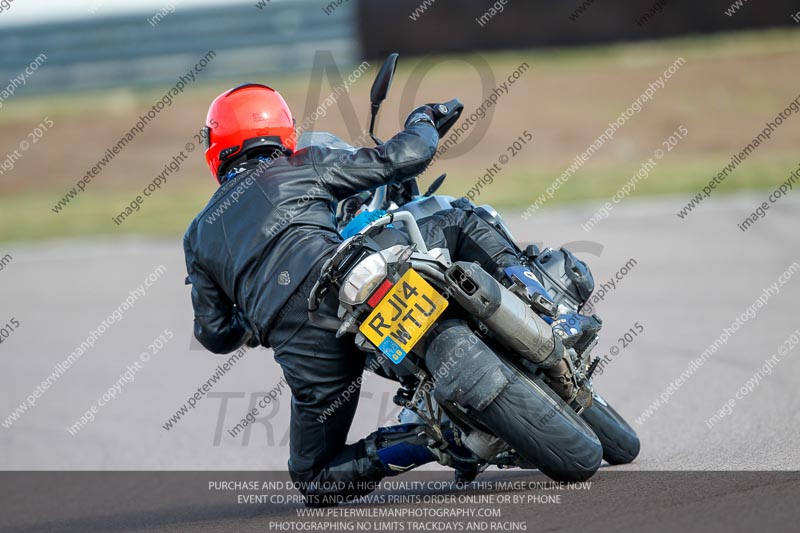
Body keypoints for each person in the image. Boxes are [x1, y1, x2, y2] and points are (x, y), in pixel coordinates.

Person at [183, 83, 575, 506]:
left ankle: (427, 439)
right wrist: (423, 119)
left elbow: (214, 334)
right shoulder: (301, 164)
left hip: (303, 341)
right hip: (347, 281)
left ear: (216, 147)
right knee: (459, 219)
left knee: (315, 478)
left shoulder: (198, 234)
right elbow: (404, 157)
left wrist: (256, 315)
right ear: (283, 129)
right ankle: (547, 309)